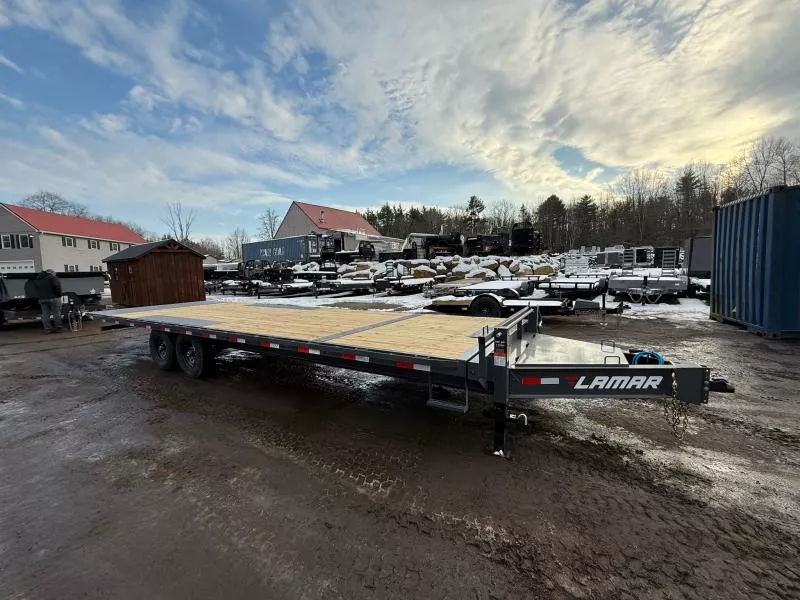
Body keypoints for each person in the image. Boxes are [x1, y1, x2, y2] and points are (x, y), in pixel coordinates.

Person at [34, 269, 63, 333]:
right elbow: (57, 286)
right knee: (56, 313)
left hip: (42, 299)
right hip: (53, 298)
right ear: (51, 273)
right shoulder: (52, 278)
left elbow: (36, 289)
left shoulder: (38, 279)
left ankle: (48, 329)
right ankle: (58, 327)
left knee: (45, 314)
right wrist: (59, 295)